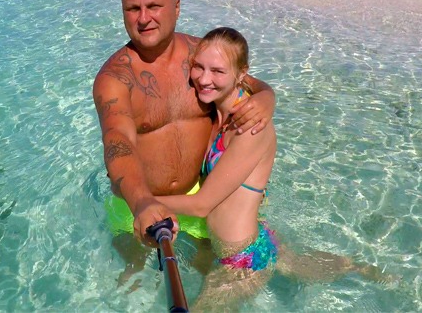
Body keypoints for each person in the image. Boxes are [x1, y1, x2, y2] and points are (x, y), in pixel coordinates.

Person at [156, 27, 391, 309]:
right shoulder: (220, 112)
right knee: (298, 265)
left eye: (217, 71)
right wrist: (267, 93)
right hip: (254, 237)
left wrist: (141, 199)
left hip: (243, 261)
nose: (204, 79)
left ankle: (365, 271)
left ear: (241, 74)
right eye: (199, 67)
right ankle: (356, 268)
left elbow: (202, 205)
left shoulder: (251, 127)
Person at [93, 0, 277, 259]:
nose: (144, 18)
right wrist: (141, 202)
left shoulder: (198, 56)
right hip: (137, 204)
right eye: (133, 9)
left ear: (176, 8)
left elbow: (241, 79)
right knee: (133, 281)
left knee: (208, 272)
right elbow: (118, 141)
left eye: (154, 6)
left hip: (198, 199)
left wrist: (267, 96)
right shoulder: (115, 78)